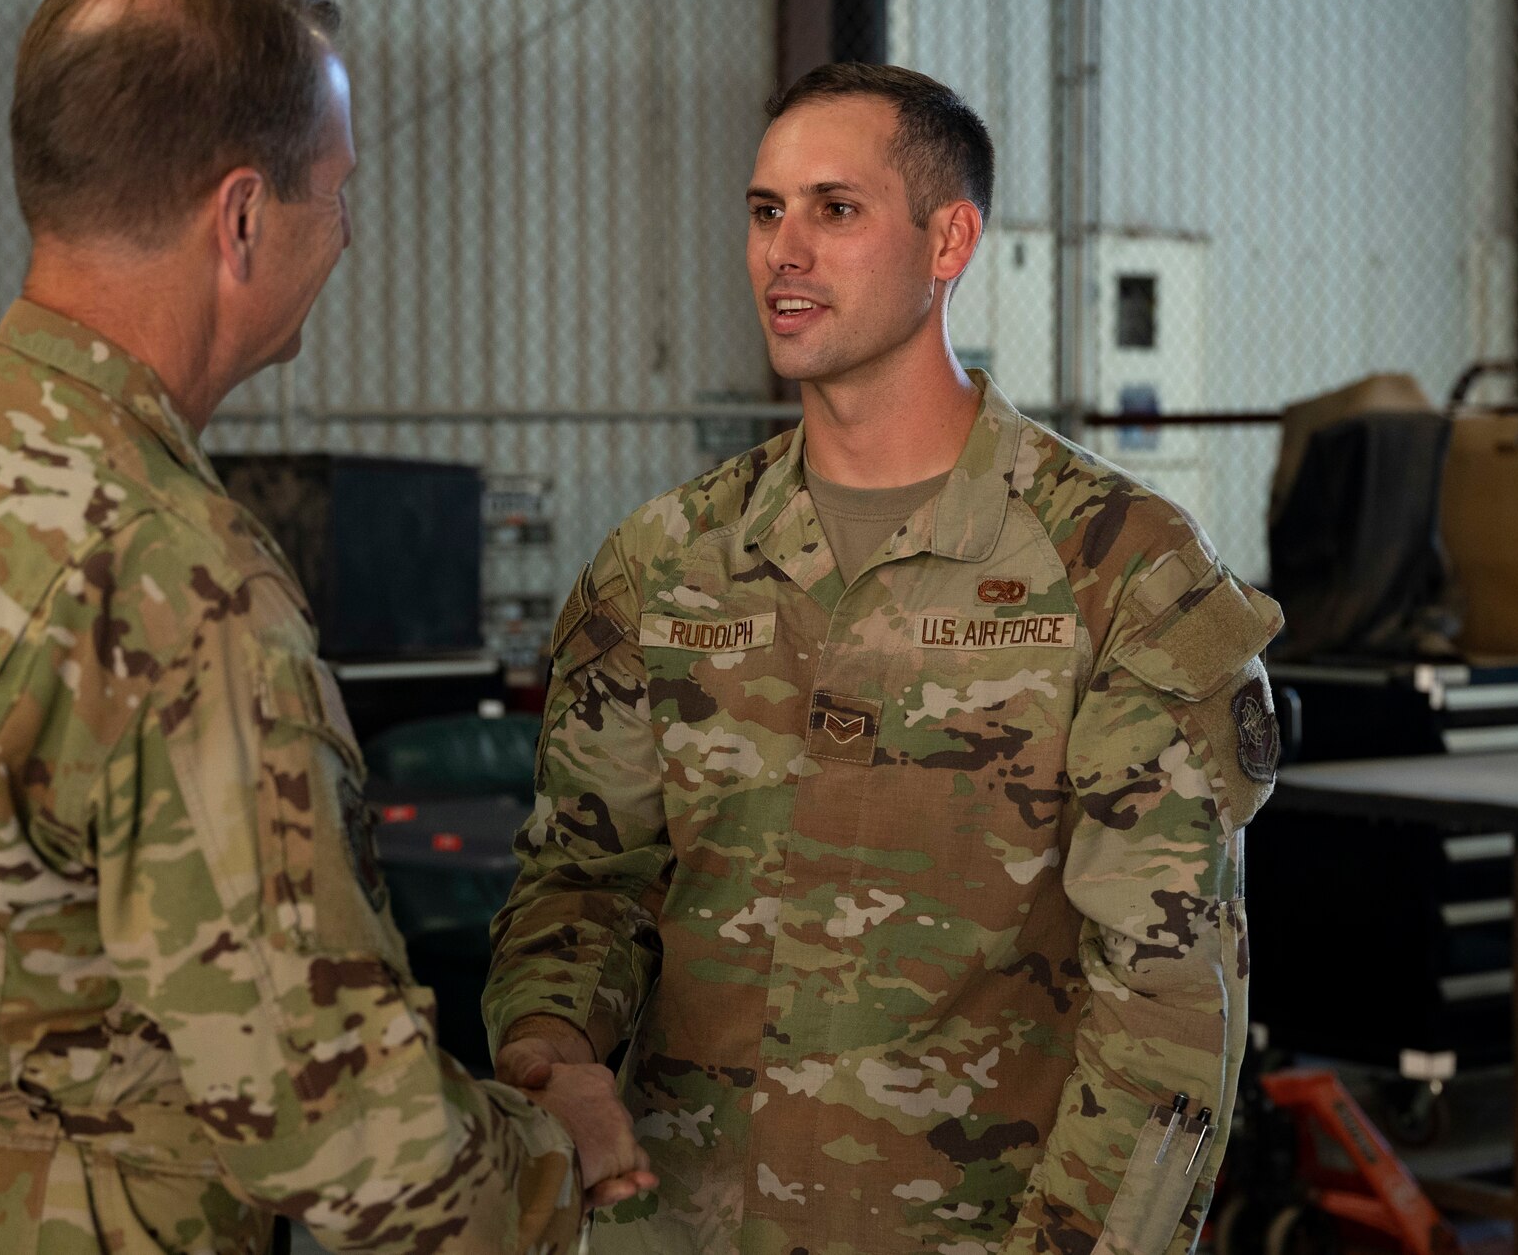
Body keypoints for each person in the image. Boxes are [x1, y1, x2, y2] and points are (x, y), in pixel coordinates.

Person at [0, 0, 650, 1254]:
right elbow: (336, 1124)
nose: (347, 234)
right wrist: (555, 1165)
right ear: (242, 219)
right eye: (338, 196)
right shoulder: (181, 584)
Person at [483, 62, 1282, 1255]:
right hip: (677, 1222)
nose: (781, 251)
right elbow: (582, 880)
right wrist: (552, 1053)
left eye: (833, 209)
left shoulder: (1117, 567)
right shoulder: (664, 561)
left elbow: (1165, 993)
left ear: (947, 237)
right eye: (764, 212)